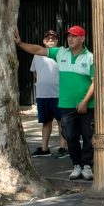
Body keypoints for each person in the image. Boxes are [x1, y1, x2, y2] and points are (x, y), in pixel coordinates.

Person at [15, 25, 95, 181]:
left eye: (74, 36)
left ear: (82, 38)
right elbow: (39, 50)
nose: (70, 39)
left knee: (87, 136)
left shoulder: (90, 56)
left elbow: (95, 82)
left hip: (87, 105)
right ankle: (76, 165)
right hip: (66, 104)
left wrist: (85, 102)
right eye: (68, 36)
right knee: (70, 136)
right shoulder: (61, 52)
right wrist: (20, 43)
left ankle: (87, 166)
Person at [30, 30, 68, 158]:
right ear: (43, 41)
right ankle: (44, 148)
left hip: (58, 93)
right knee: (46, 122)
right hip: (42, 94)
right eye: (48, 38)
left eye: (53, 38)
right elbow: (34, 72)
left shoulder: (62, 53)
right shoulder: (36, 55)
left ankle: (63, 147)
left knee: (61, 121)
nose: (50, 40)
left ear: (57, 41)